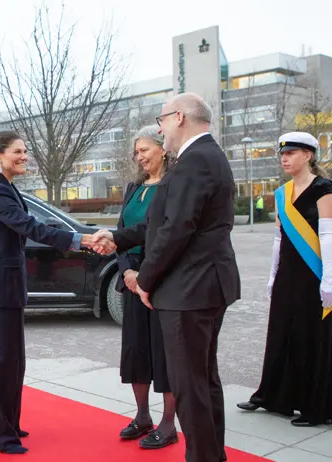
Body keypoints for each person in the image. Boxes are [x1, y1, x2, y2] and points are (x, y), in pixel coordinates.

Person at [92, 93, 241, 462]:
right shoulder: (204, 158)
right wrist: (116, 237)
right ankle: (212, 455)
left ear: (178, 117)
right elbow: (156, 223)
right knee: (203, 380)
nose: (159, 129)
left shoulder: (195, 161)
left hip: (190, 290)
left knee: (192, 386)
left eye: (161, 121)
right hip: (203, 286)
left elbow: (176, 230)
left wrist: (146, 280)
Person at [0, 131, 96, 455]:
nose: (24, 156)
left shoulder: (6, 187)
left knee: (13, 362)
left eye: (25, 151)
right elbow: (31, 228)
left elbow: (30, 223)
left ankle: (8, 424)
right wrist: (81, 240)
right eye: (18, 152)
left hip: (5, 288)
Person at [236, 132, 332, 427]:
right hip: (287, 273)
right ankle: (272, 397)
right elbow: (278, 238)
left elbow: (326, 236)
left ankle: (315, 407)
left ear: (308, 155)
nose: (285, 158)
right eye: (282, 154)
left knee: (310, 337)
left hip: (313, 275)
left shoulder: (324, 189)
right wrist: (273, 275)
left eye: (292, 153)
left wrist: (326, 280)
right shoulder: (282, 193)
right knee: (281, 334)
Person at [114, 125, 178, 449]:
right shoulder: (132, 188)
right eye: (136, 152)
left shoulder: (172, 187)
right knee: (136, 350)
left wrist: (145, 278)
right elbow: (122, 233)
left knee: (165, 353)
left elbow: (165, 235)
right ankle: (143, 416)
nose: (139, 157)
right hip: (132, 280)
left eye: (145, 150)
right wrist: (127, 273)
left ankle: (168, 425)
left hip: (161, 282)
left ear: (163, 149)